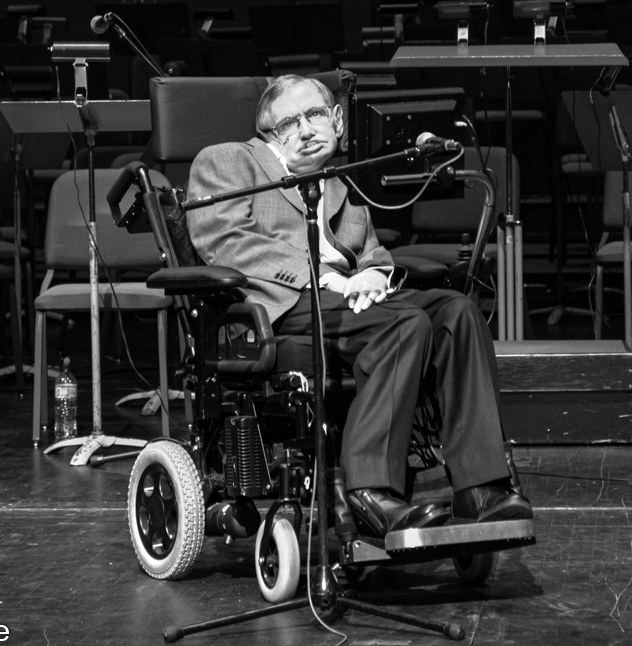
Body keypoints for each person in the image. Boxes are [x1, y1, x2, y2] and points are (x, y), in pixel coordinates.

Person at [186, 74, 532, 537]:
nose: (306, 129)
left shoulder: (342, 187)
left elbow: (373, 254)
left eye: (314, 115)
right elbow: (226, 242)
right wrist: (326, 278)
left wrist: (374, 275)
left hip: (350, 304)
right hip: (280, 309)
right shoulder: (228, 160)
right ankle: (370, 489)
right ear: (268, 133)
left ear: (336, 120)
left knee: (457, 312)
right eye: (289, 122)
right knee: (404, 322)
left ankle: (481, 487)